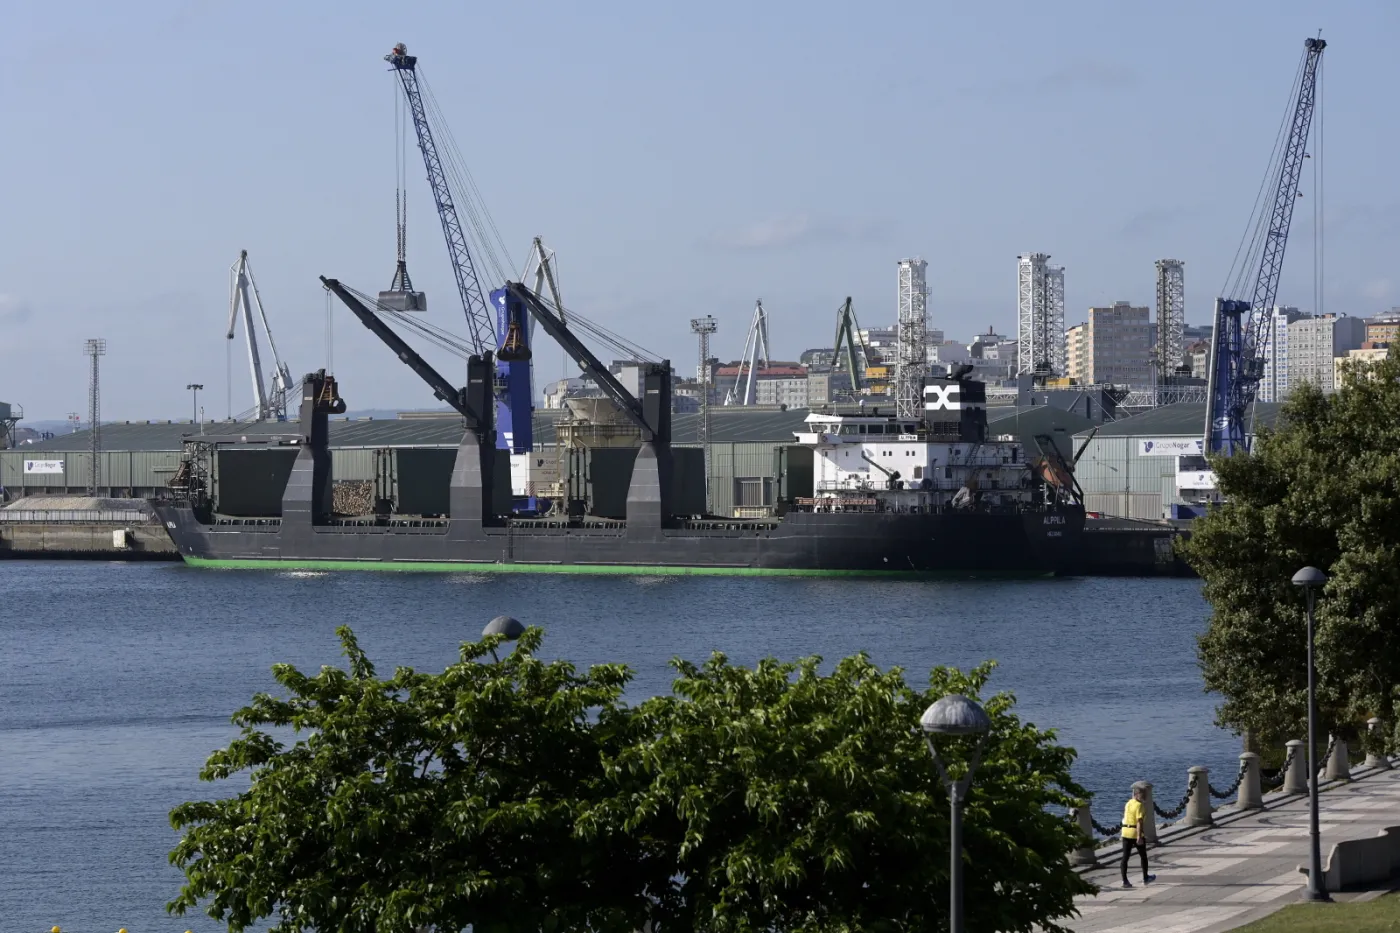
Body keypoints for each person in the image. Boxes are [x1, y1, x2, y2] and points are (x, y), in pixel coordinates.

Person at [1120, 784, 1157, 888]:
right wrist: (1139, 836)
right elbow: (1139, 822)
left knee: (1125, 857)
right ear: (1136, 795)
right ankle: (1145, 878)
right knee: (1143, 856)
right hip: (1134, 832)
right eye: (1142, 794)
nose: (1144, 796)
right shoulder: (1139, 805)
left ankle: (1124, 881)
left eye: (1144, 794)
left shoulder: (1128, 803)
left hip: (1125, 832)